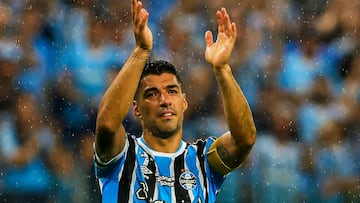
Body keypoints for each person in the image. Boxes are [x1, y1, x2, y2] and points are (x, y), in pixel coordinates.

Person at [94, 0, 256, 202]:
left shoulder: (202, 160)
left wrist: (222, 70)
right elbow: (107, 124)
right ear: (136, 110)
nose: (164, 100)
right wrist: (141, 52)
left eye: (172, 91)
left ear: (184, 103)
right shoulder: (122, 155)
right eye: (152, 94)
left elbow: (244, 140)